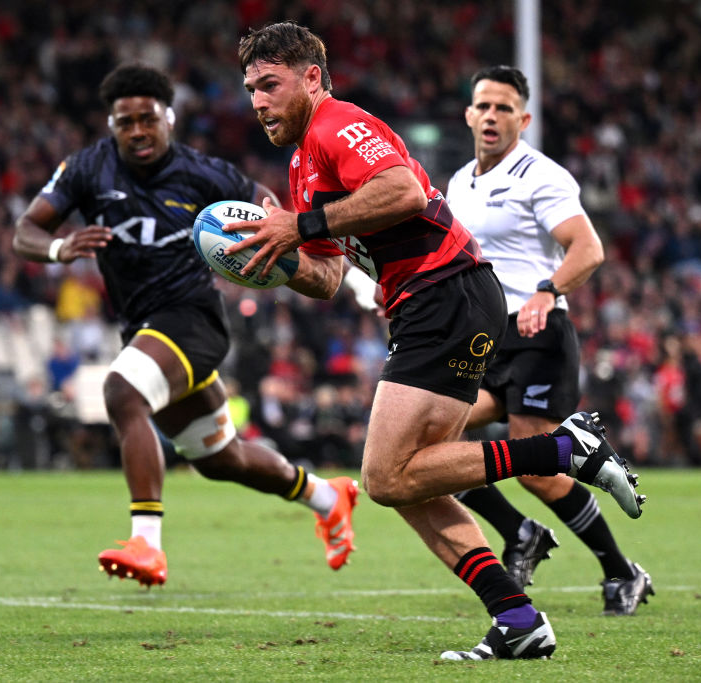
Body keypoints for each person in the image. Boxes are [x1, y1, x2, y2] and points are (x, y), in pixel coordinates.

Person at [232, 21, 645, 661]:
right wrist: (277, 258)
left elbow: (399, 190)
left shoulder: (336, 124)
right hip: (429, 302)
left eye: (269, 84)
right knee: (408, 480)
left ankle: (563, 448)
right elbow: (328, 275)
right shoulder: (300, 164)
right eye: (250, 88)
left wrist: (303, 223)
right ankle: (518, 618)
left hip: (445, 291)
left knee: (385, 475)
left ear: (311, 78)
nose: (257, 101)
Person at [11, 63, 358, 587]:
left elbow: (262, 204)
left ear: (168, 117)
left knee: (123, 392)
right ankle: (328, 497)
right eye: (124, 122)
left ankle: (146, 544)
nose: (137, 131)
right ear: (112, 125)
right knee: (222, 459)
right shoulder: (87, 169)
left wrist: (277, 235)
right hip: (144, 332)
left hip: (193, 320)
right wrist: (60, 247)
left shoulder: (205, 174)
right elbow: (26, 231)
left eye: (147, 119)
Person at [446, 65, 653, 616]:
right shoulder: (459, 182)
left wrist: (546, 291)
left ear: (524, 118)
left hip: (539, 335)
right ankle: (520, 533)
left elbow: (587, 248)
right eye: (483, 105)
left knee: (535, 470)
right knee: (426, 445)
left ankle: (621, 571)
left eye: (504, 108)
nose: (492, 116)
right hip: (484, 339)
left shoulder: (542, 176)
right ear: (468, 113)